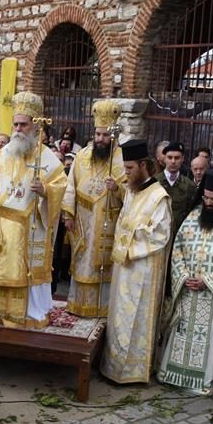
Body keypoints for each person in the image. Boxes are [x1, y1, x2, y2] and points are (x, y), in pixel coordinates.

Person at [0, 92, 67, 328]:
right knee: (3, 269)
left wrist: (45, 191)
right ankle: (3, 312)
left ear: (35, 125)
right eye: (16, 124)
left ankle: (31, 313)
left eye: (24, 124)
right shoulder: (1, 156)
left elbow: (60, 185)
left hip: (31, 227)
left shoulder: (48, 158)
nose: (19, 129)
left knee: (28, 272)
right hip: (2, 227)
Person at [158, 170, 213, 395]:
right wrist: (184, 275)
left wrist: (208, 281)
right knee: (181, 331)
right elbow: (178, 248)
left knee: (209, 338)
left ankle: (203, 382)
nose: (208, 202)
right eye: (205, 198)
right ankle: (172, 374)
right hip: (187, 287)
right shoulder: (193, 216)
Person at [100, 140, 172, 384]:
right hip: (124, 266)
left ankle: (133, 372)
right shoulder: (131, 190)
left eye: (130, 168)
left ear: (144, 165)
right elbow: (124, 219)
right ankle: (113, 365)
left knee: (136, 317)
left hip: (143, 269)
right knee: (120, 314)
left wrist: (128, 238)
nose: (126, 173)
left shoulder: (159, 197)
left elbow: (159, 235)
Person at [61, 100, 125, 317]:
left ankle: (101, 309)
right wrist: (67, 213)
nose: (100, 139)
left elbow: (133, 194)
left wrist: (117, 188)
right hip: (83, 219)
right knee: (80, 263)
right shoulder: (82, 156)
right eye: (98, 134)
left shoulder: (122, 159)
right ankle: (76, 305)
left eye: (105, 135)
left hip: (109, 219)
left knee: (101, 266)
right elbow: (71, 184)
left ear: (113, 136)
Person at [155, 141, 197, 235]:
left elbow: (191, 213)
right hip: (157, 234)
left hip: (179, 234)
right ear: (164, 159)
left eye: (177, 158)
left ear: (182, 159)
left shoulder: (189, 185)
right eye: (170, 157)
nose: (173, 161)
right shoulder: (154, 182)